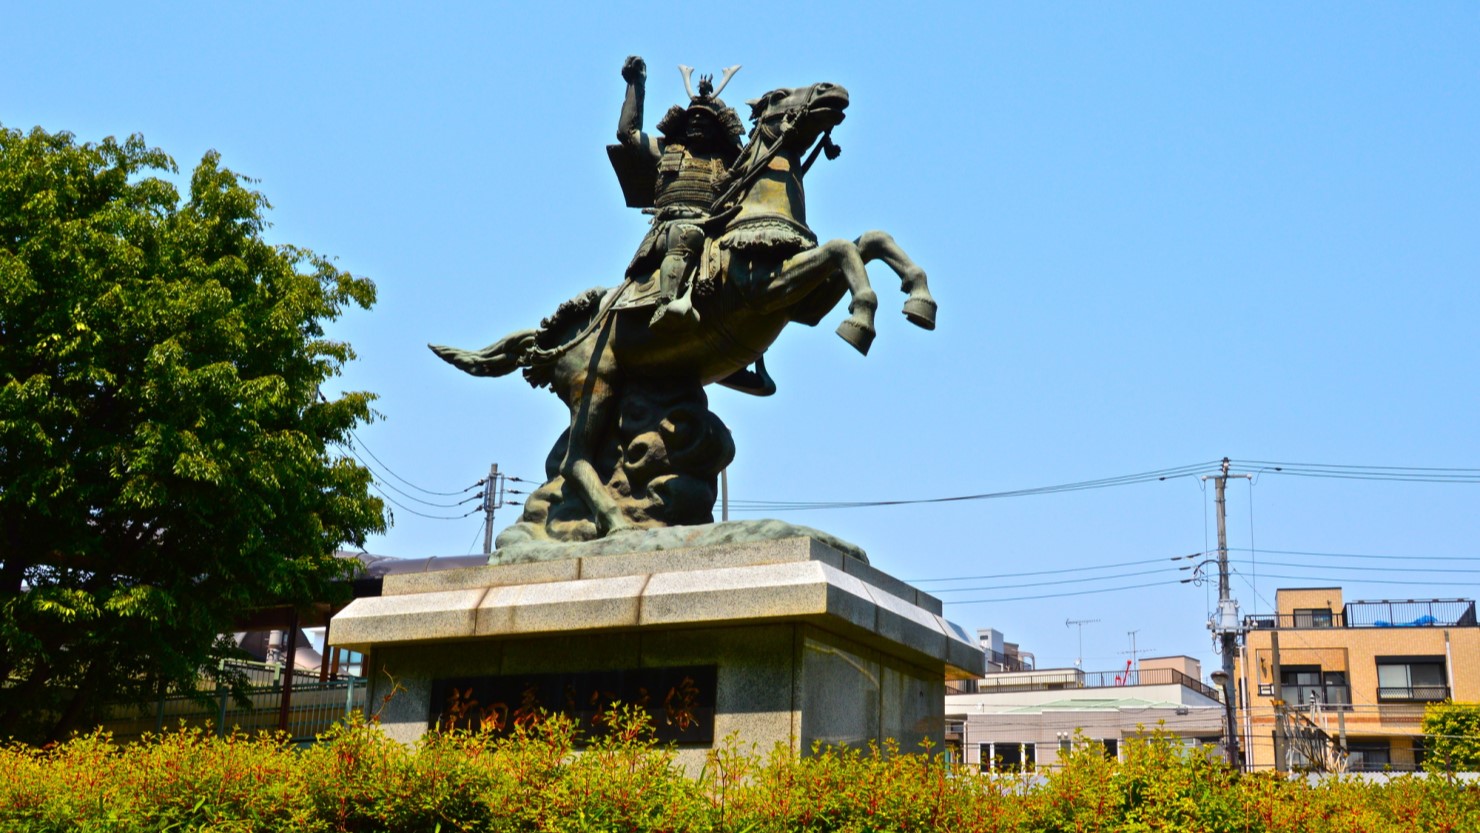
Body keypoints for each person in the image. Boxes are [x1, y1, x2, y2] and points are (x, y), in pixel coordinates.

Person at [612, 55, 744, 332]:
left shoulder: (729, 161)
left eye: (705, 120)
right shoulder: (667, 151)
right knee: (685, 234)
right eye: (692, 118)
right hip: (672, 228)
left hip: (716, 227)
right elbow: (627, 134)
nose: (696, 122)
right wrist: (636, 84)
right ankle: (666, 304)